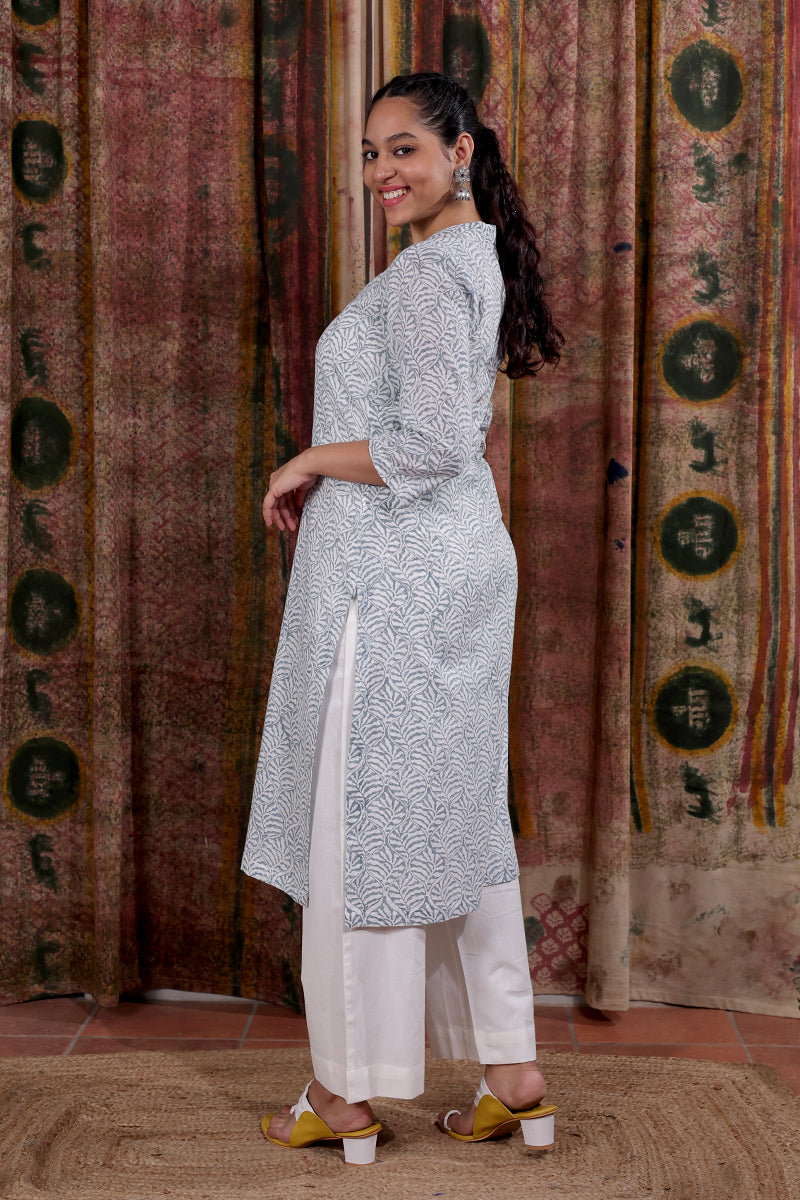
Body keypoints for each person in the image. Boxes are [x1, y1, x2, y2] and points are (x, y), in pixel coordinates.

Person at [241, 71, 564, 1165]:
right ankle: (512, 1075)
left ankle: (342, 1093)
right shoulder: (467, 259)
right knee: (453, 816)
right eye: (371, 153)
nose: (382, 171)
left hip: (394, 586)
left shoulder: (428, 276)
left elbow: (428, 445)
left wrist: (303, 459)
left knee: (364, 822)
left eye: (404, 149)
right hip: (448, 571)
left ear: (460, 150)